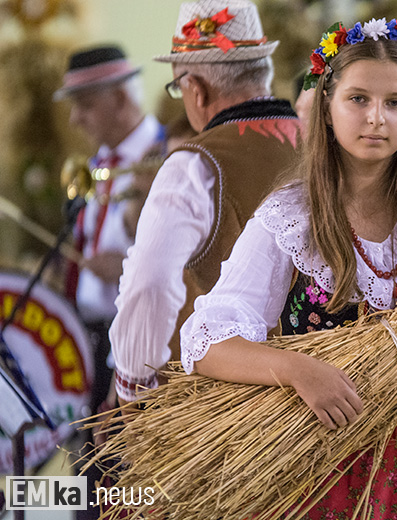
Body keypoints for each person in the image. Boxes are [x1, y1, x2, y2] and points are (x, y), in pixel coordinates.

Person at [180, 17, 397, 518]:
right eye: (358, 99)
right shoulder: (291, 217)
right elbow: (207, 342)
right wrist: (296, 369)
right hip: (326, 467)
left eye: (394, 102)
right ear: (328, 108)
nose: (376, 118)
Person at [109, 0, 301, 406]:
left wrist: (132, 384)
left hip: (227, 410)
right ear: (262, 70)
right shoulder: (330, 144)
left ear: (196, 89)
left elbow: (150, 284)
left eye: (178, 87)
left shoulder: (193, 166)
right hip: (335, 396)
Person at [55, 43, 166, 520]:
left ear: (120, 100)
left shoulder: (166, 157)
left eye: (85, 104)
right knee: (88, 480)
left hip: (136, 353)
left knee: (128, 488)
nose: (76, 119)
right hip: (86, 341)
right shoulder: (95, 165)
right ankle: (29, 504)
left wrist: (123, 267)